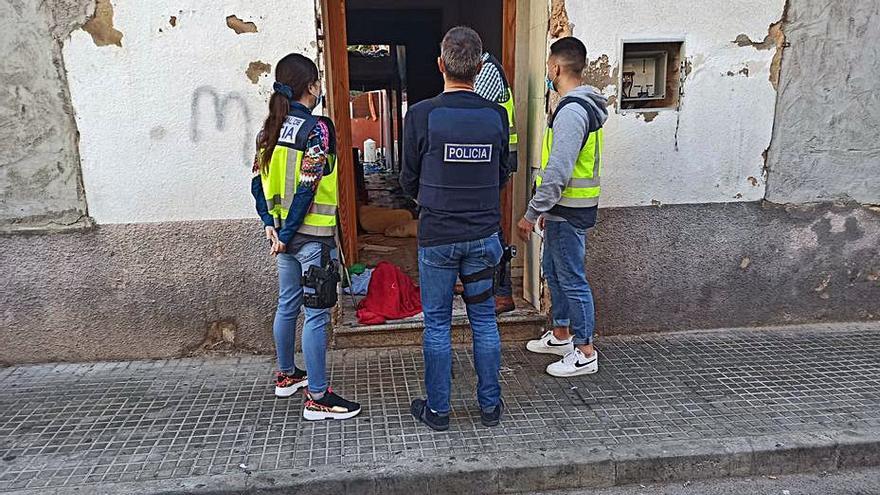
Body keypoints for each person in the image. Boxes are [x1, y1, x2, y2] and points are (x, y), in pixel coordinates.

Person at [401, 27, 510, 431]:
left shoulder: (421, 115)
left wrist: (429, 201)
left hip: (438, 237)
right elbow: (502, 173)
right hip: (484, 236)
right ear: (480, 68)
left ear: (441, 65)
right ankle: (489, 407)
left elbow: (406, 178)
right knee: (484, 320)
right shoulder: (496, 116)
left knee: (437, 324)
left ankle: (439, 411)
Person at [251, 53, 361, 420]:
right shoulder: (317, 129)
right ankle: (318, 397)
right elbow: (308, 186)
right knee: (316, 315)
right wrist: (288, 231)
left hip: (283, 237)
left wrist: (272, 225)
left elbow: (256, 184)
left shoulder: (268, 130)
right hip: (310, 237)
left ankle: (286, 375)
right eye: (318, 81)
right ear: (312, 86)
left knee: (287, 304)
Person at [516, 37, 608, 377]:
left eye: (548, 67)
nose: (547, 72)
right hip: (562, 209)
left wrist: (530, 213)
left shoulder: (572, 111)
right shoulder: (576, 106)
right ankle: (561, 334)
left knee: (571, 278)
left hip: (569, 211)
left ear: (556, 67)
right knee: (555, 272)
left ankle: (585, 351)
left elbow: (557, 171)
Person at [474, 52, 518, 315]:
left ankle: (503, 293)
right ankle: (480, 282)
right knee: (480, 225)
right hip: (488, 162)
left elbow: (475, 112)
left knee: (491, 228)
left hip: (494, 164)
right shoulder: (484, 70)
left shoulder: (488, 71)